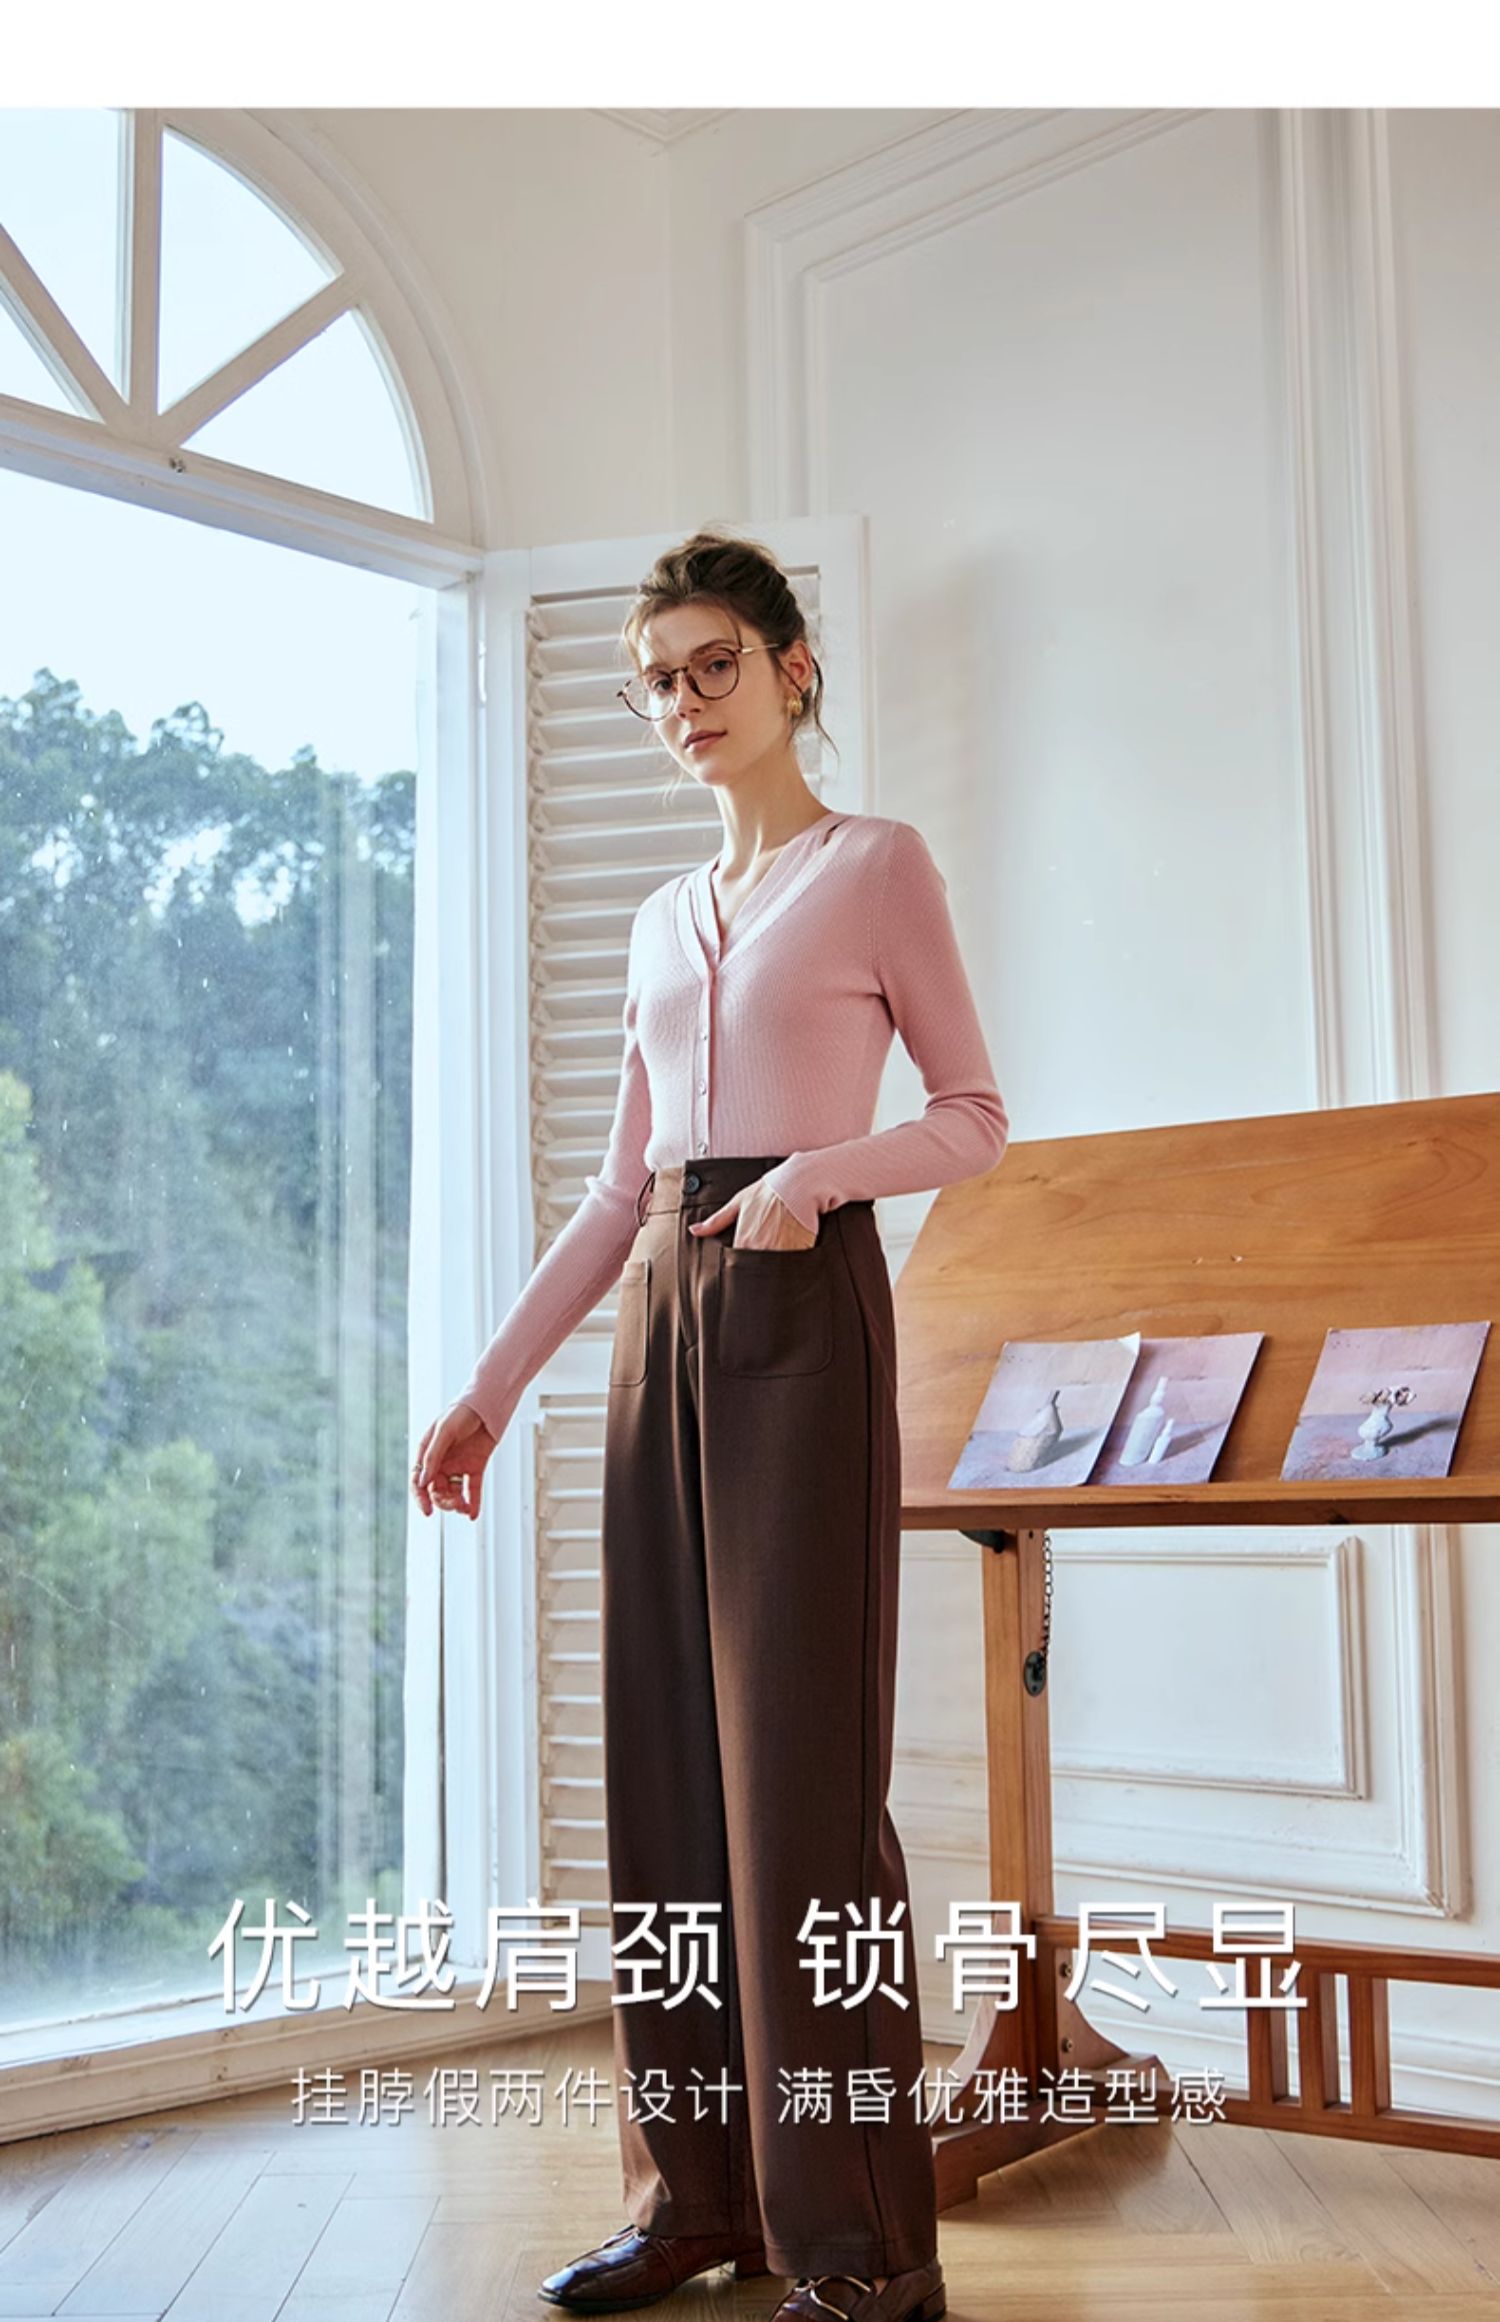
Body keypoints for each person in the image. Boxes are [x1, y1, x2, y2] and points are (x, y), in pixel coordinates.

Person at [412, 530, 1009, 2322]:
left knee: (801, 1786)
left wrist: (819, 1177)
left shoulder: (876, 864)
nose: (683, 702)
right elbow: (619, 1192)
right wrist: (490, 1387)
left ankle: (862, 2244)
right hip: (662, 1321)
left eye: (713, 665)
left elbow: (973, 1115)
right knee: (669, 1770)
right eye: (656, 681)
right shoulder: (662, 916)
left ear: (792, 667)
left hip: (806, 1308)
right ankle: (694, 2199)